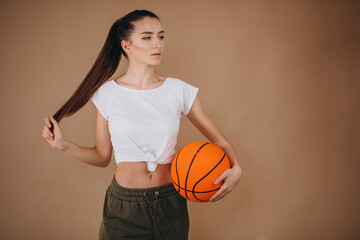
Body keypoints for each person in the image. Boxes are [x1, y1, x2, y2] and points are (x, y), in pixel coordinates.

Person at [41, 9, 242, 240]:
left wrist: (236, 167)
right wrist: (63, 145)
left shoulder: (180, 91)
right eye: (147, 37)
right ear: (126, 45)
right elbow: (102, 156)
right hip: (124, 207)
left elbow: (218, 139)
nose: (157, 44)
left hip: (170, 203)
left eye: (161, 36)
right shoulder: (107, 94)